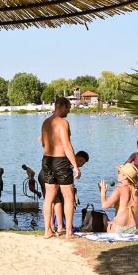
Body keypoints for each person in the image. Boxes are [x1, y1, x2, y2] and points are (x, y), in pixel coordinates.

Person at [39, 97, 83, 239]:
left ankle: (47, 231)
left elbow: (43, 143)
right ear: (62, 106)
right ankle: (69, 232)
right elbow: (66, 145)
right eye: (68, 107)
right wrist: (76, 166)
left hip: (46, 161)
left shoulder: (46, 122)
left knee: (49, 198)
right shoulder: (63, 123)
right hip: (61, 162)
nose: (69, 110)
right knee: (68, 197)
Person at [42, 151, 89, 234]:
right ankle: (57, 226)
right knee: (55, 200)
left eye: (83, 164)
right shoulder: (66, 161)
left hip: (50, 175)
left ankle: (54, 227)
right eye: (81, 161)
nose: (81, 164)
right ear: (75, 156)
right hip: (46, 176)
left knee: (55, 200)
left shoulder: (70, 166)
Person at [99, 163, 138, 234]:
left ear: (125, 176)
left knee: (108, 224)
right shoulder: (137, 189)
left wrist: (103, 192)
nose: (117, 175)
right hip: (136, 229)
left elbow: (105, 205)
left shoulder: (120, 189)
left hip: (119, 229)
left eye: (119, 173)